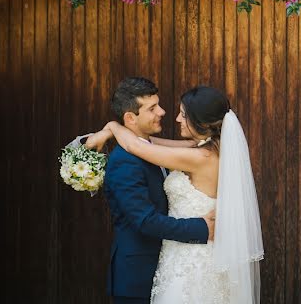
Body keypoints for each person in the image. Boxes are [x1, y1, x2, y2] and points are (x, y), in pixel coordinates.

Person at [91, 84, 264, 303]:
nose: (174, 118)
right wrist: (113, 129)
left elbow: (139, 147)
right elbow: (148, 143)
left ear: (198, 121)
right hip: (184, 255)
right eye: (153, 108)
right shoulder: (210, 148)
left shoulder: (200, 157)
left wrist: (113, 127)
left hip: (193, 259)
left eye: (183, 115)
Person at [84, 77, 215, 304]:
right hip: (137, 277)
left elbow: (186, 145)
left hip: (172, 270)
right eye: (152, 108)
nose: (162, 112)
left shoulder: (153, 149)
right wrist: (201, 227)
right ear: (130, 118)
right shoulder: (124, 161)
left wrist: (113, 129)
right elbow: (145, 220)